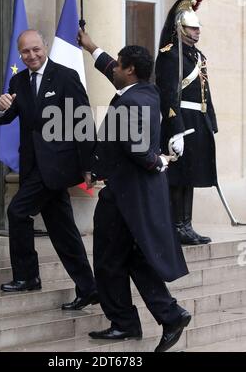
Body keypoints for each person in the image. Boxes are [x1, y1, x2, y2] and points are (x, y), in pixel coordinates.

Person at [78, 30, 191, 353]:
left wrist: (156, 161)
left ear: (129, 70)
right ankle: (168, 315)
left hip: (125, 195)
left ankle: (128, 322)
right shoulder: (146, 90)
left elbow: (137, 148)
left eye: (118, 65)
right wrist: (90, 47)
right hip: (134, 194)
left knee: (108, 259)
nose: (113, 68)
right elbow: (110, 66)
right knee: (133, 259)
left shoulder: (132, 101)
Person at [0, 29, 98, 311]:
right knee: (63, 231)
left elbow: (83, 121)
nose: (32, 56)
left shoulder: (65, 76)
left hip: (58, 166)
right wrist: (1, 108)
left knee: (17, 211)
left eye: (36, 49)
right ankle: (89, 288)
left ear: (45, 47)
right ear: (20, 54)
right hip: (32, 167)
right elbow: (3, 118)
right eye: (26, 52)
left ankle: (27, 276)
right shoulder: (18, 81)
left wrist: (89, 165)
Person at [155, 0, 218, 246]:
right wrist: (175, 129)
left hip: (197, 122)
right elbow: (168, 93)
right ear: (181, 28)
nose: (197, 31)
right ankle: (176, 225)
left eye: (198, 27)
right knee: (178, 176)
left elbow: (205, 91)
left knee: (190, 175)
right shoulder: (171, 54)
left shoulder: (196, 56)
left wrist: (210, 121)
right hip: (180, 122)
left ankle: (186, 224)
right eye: (192, 28)